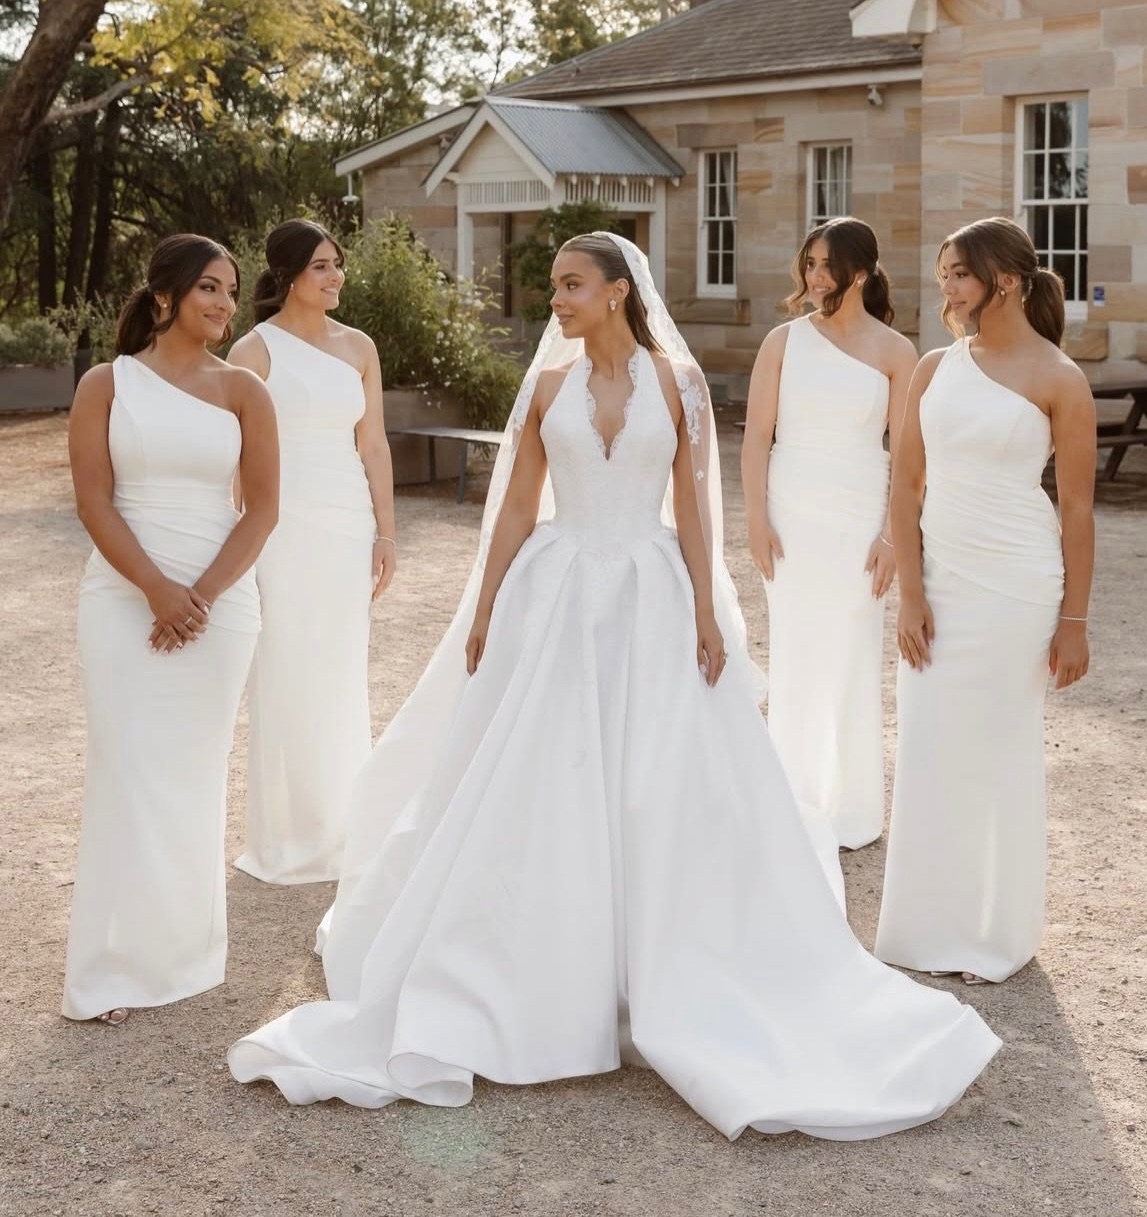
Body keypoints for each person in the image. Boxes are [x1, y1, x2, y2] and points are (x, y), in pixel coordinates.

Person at [228, 232, 999, 1140]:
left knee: (655, 776)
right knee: (540, 771)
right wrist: (483, 609)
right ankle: (540, 963)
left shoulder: (676, 385)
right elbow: (518, 503)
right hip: (553, 594)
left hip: (649, 590)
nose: (555, 300)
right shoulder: (547, 386)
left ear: (617, 293)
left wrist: (710, 614)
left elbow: (690, 503)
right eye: (553, 286)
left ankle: (657, 958)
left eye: (569, 285)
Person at [874, 216, 1096, 985]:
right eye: (943, 275)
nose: (947, 289)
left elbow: (1075, 512)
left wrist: (1073, 621)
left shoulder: (1060, 380)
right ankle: (922, 929)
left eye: (958, 275)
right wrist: (909, 593)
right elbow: (903, 485)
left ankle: (994, 933)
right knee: (931, 744)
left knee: (996, 754)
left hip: (1017, 588)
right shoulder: (934, 367)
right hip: (941, 582)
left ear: (1003, 280)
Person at [64, 234, 278, 1024]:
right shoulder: (105, 384)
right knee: (126, 769)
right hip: (122, 596)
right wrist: (155, 589)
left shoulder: (245, 391)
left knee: (191, 773)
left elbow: (264, 510)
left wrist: (201, 597)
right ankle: (111, 967)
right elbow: (93, 501)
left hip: (220, 606)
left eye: (229, 290)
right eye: (208, 290)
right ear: (164, 297)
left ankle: (181, 956)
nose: (223, 304)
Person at [228, 219, 396, 885]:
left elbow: (374, 445)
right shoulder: (253, 350)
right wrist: (244, 538)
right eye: (322, 267)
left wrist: (385, 531)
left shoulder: (359, 347)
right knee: (285, 667)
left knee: (340, 668)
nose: (335, 277)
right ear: (291, 273)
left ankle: (343, 825)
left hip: (348, 521)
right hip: (282, 526)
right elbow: (238, 458)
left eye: (338, 264)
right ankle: (287, 836)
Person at [742, 218, 917, 849]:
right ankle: (793, 798)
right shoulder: (783, 342)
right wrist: (755, 518)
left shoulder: (898, 353)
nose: (815, 277)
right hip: (791, 508)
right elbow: (757, 435)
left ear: (861, 273)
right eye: (809, 264)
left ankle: (850, 805)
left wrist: (894, 538)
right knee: (795, 649)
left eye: (826, 266)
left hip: (859, 512)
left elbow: (906, 457)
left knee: (851, 652)